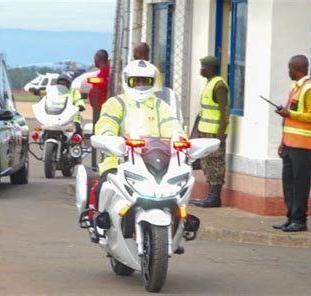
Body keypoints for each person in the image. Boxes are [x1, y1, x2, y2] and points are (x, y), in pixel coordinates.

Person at [90, 60, 185, 242]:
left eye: (146, 81)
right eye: (136, 81)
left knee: (178, 189)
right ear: (127, 81)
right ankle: (100, 225)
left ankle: (180, 228)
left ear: (152, 82)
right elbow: (106, 123)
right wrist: (109, 139)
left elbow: (172, 125)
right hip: (120, 160)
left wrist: (179, 138)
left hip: (156, 162)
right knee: (104, 185)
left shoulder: (160, 106)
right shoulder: (115, 103)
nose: (141, 85)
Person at [273, 55, 311, 232]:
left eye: (289, 68)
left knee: (300, 184)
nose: (288, 71)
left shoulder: (309, 89)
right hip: (290, 144)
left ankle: (300, 220)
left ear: (297, 68)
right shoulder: (295, 88)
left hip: (303, 146)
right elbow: (289, 118)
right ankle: (291, 217)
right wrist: (283, 142)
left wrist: (289, 114)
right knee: (288, 182)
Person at [191, 56, 230, 208]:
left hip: (214, 134)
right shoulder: (210, 84)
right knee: (207, 164)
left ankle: (215, 197)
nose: (201, 70)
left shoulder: (219, 85)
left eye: (203, 67)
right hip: (205, 131)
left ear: (210, 68)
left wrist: (220, 136)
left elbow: (224, 112)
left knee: (216, 164)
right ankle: (210, 196)